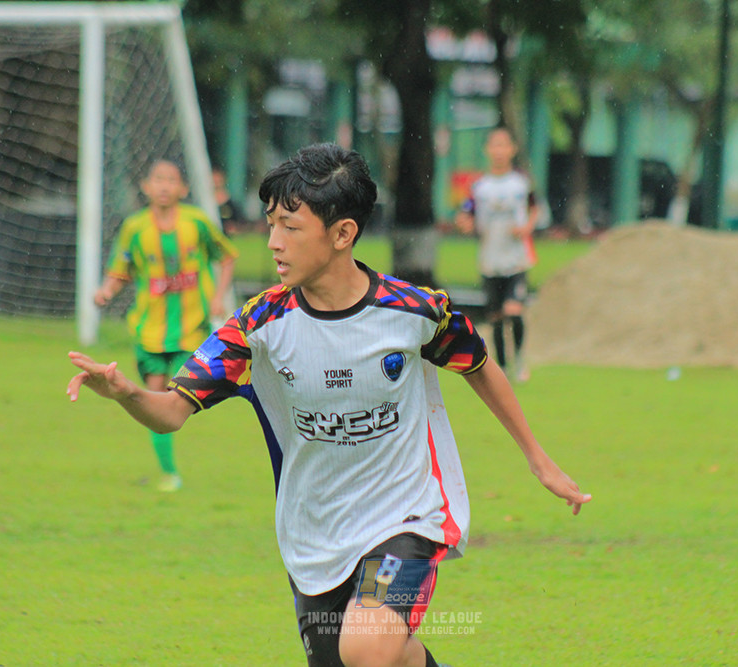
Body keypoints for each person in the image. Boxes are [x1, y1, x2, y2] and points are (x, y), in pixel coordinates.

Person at [67, 143, 590, 666]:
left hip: (405, 517)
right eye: (271, 224)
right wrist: (127, 393)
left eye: (290, 228)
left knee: (365, 648)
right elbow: (172, 412)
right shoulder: (258, 328)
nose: (273, 243)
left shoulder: (411, 311)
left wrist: (538, 460)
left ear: (343, 234)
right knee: (369, 658)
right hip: (314, 534)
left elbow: (478, 364)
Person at [93, 159, 238, 492]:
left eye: (171, 180)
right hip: (149, 329)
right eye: (157, 179)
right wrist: (106, 290)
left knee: (176, 395)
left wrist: (218, 297)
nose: (163, 186)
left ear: (183, 189)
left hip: (191, 328)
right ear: (146, 186)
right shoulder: (135, 227)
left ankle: (175, 469)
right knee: (155, 397)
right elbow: (121, 269)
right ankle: (169, 472)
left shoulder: (197, 223)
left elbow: (227, 257)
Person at [455, 125, 540, 383]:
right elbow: (464, 213)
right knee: (495, 317)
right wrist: (465, 224)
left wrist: (526, 227)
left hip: (516, 260)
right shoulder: (479, 186)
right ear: (487, 150)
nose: (499, 151)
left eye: (504, 145)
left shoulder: (521, 182)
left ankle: (520, 359)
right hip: (490, 261)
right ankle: (503, 367)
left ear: (512, 149)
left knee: (513, 311)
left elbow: (535, 209)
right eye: (495, 145)